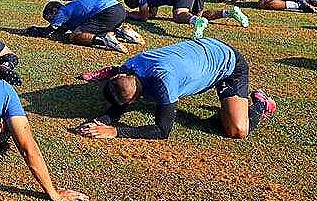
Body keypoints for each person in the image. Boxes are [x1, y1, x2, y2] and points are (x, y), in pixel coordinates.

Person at [77, 38, 276, 140]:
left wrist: (115, 131)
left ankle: (261, 104)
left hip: (229, 63)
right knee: (229, 119)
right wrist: (99, 121)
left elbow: (162, 130)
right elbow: (120, 101)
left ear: (135, 100)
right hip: (202, 51)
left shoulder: (164, 83)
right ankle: (229, 106)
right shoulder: (130, 67)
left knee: (237, 130)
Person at [123, 0, 249, 38]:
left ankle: (196, 22)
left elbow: (143, 17)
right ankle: (229, 13)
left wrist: (128, 14)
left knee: (178, 16)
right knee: (198, 14)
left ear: (134, 0)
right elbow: (152, 14)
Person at [24, 0, 143, 53]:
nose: (51, 22)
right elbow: (60, 31)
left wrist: (34, 30)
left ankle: (105, 40)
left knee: (76, 35)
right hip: (118, 9)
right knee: (93, 27)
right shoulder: (73, 10)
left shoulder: (63, 11)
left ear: (55, 11)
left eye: (51, 19)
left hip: (107, 12)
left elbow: (48, 32)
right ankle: (123, 32)